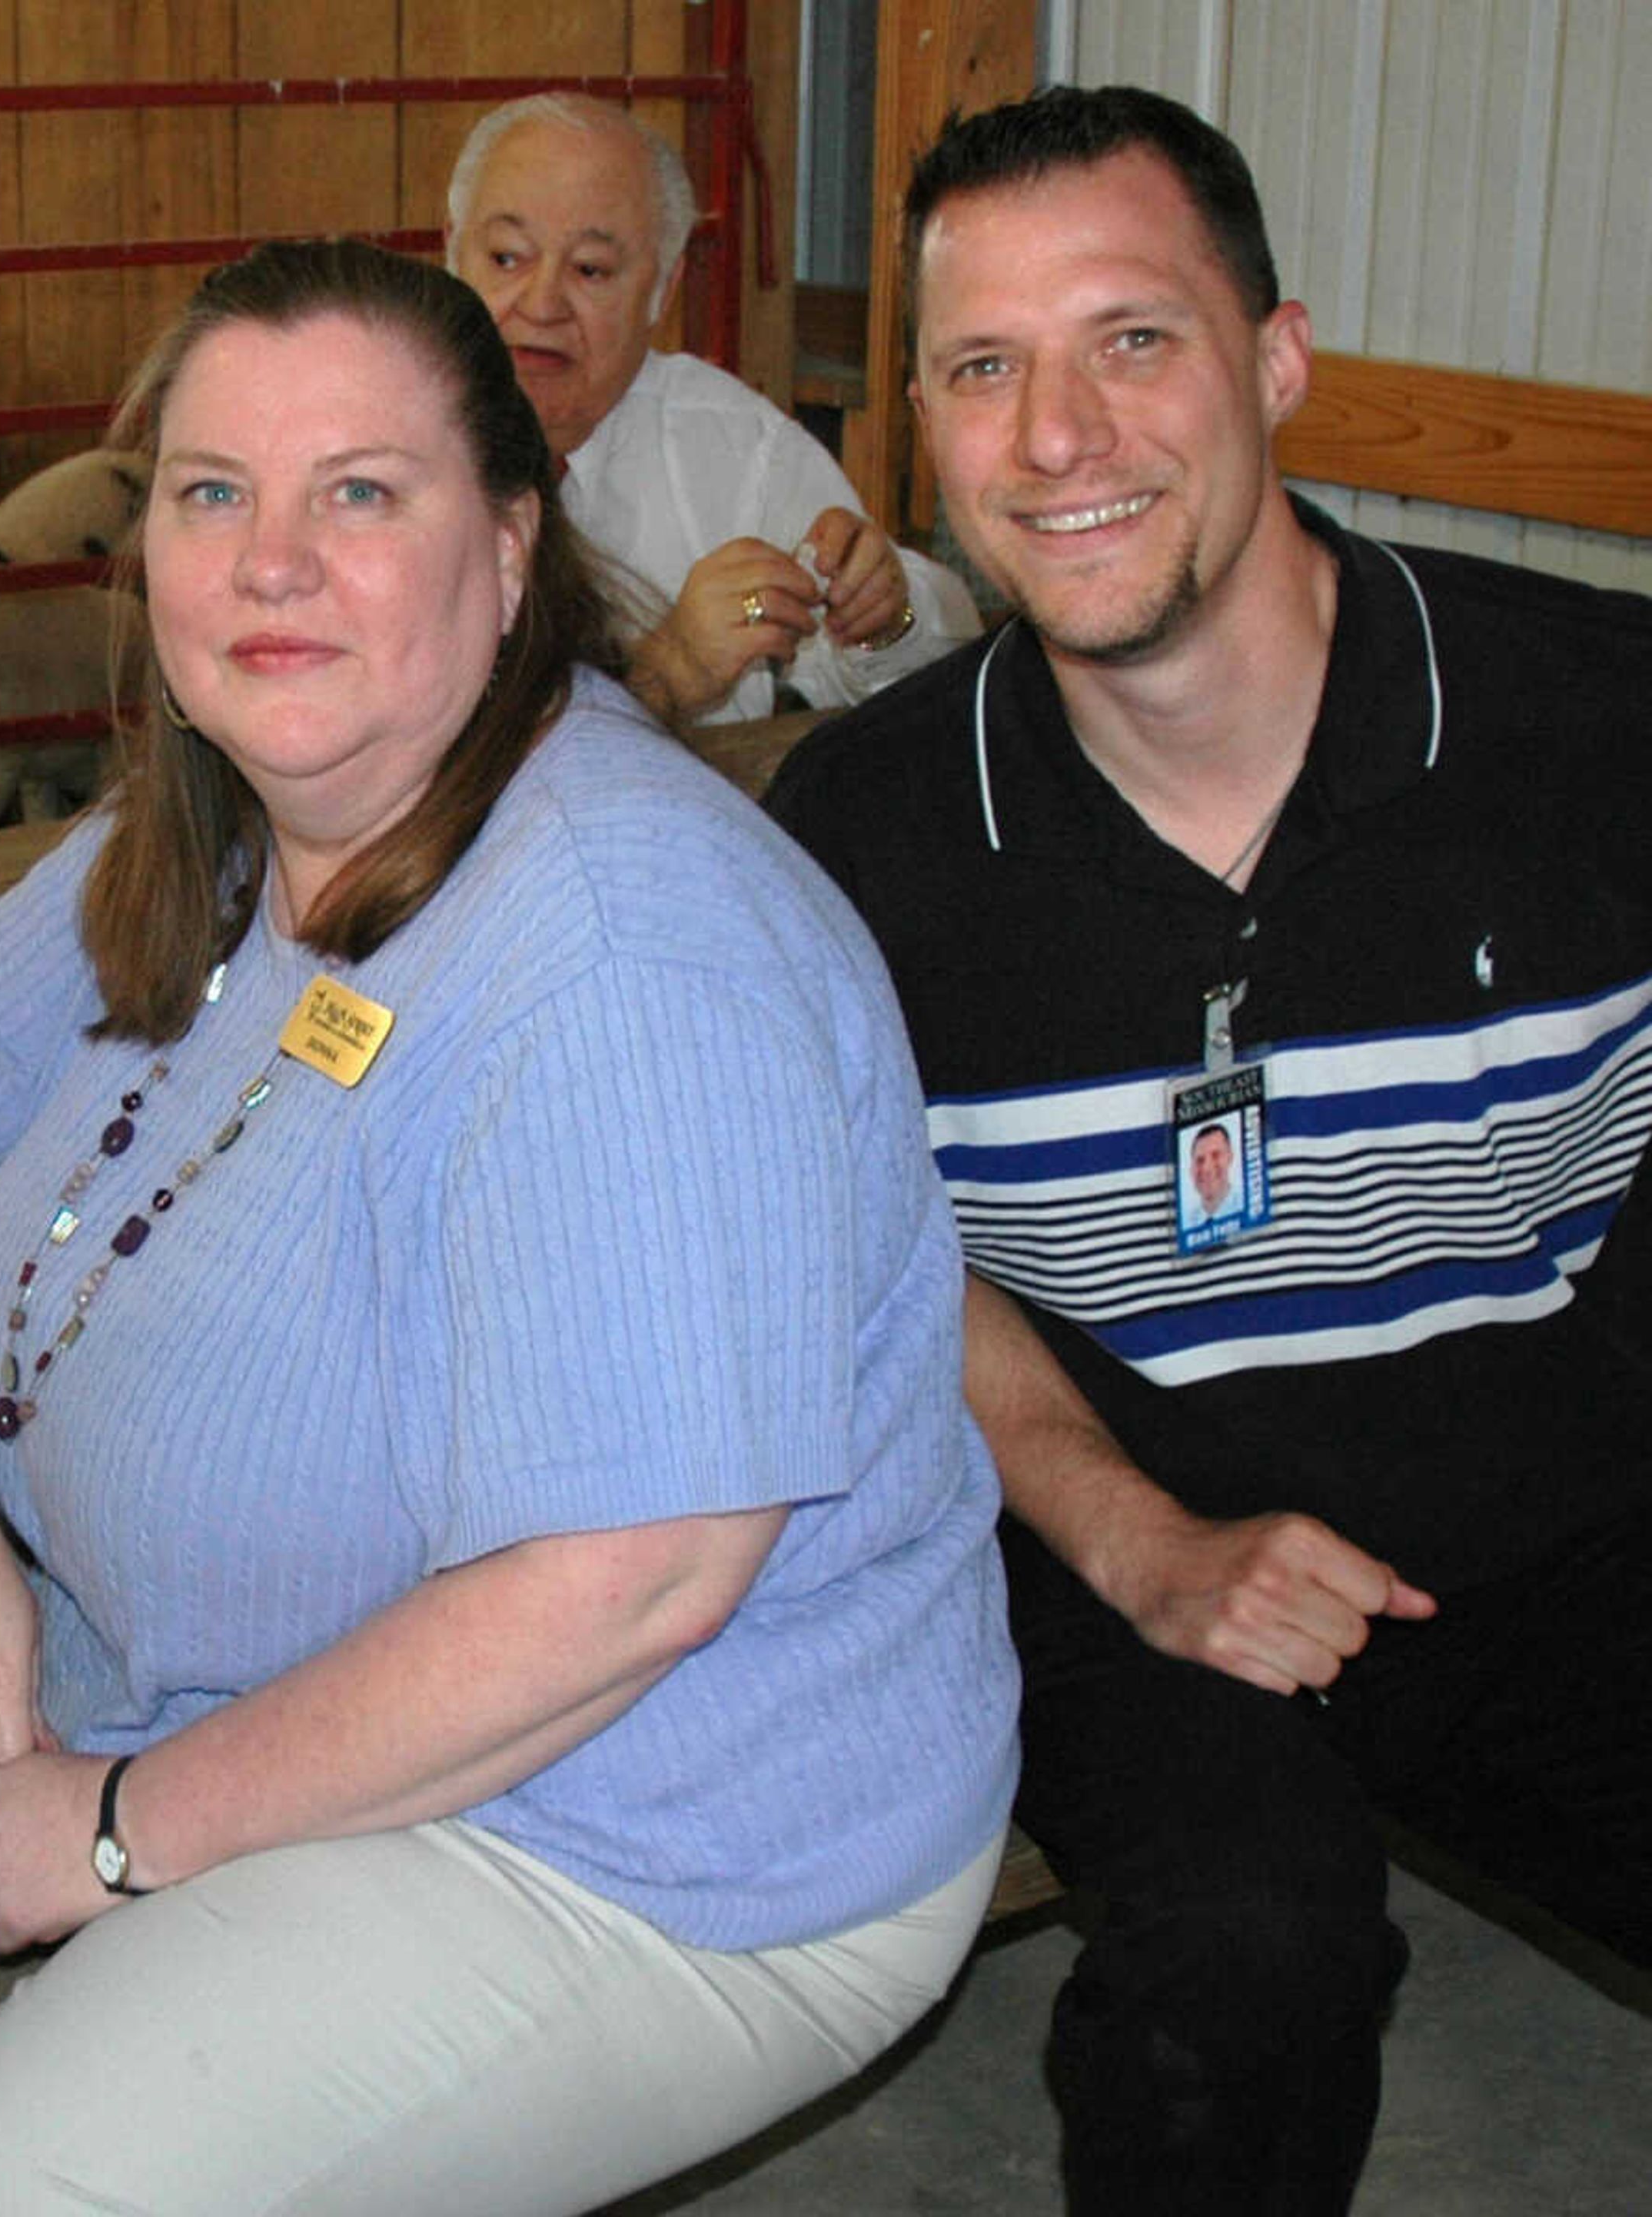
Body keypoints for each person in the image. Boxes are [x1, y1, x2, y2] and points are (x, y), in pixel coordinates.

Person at [0, 237, 1018, 2217]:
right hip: (206, 1699)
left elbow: (623, 1585)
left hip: (639, 1820)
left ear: (514, 547)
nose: (267, 561)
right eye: (213, 494)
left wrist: (110, 1831)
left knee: (14, 2187)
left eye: (357, 493)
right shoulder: (215, 822)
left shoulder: (621, 954)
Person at [764, 83, 1652, 2215]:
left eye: (1133, 338)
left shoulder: (1587, 724)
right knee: (1239, 1965)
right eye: (987, 367)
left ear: (1275, 361)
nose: (1059, 434)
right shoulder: (864, 842)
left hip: (1565, 1516)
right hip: (1130, 1539)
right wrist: (1136, 1540)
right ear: (923, 429)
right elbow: (884, 1259)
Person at [446, 92, 979, 731]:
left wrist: (883, 616)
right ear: (452, 253)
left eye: (590, 270)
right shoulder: (366, 440)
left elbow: (934, 680)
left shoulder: (737, 449)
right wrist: (668, 675)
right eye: (506, 257)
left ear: (663, 290)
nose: (541, 304)